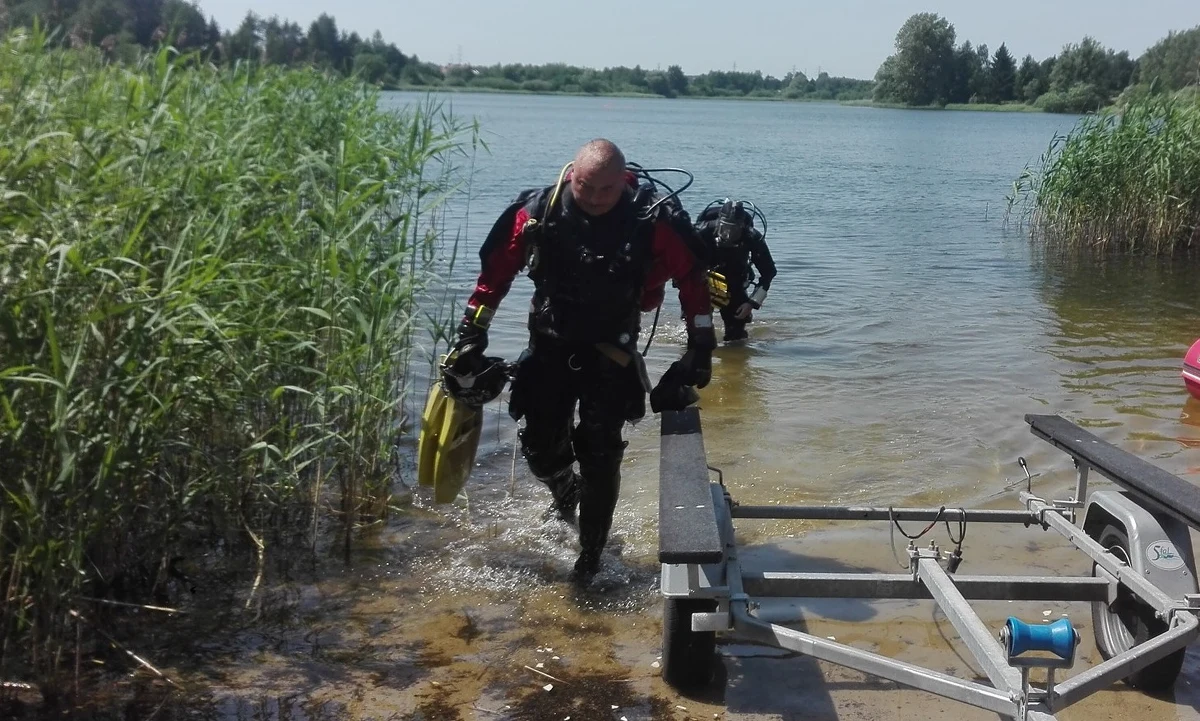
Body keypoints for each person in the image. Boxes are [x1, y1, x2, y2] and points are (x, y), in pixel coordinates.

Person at [445, 139, 716, 584]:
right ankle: (563, 488)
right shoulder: (538, 212)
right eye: (586, 187)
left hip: (611, 355)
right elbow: (493, 276)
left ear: (622, 184)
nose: (593, 199)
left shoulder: (652, 219)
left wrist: (699, 346)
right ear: (573, 175)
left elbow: (692, 278)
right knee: (539, 449)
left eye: (605, 191)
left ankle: (589, 557)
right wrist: (470, 335)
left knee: (600, 455)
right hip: (549, 345)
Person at [695, 198, 776, 343]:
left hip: (735, 282)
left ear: (743, 227)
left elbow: (769, 272)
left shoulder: (752, 237)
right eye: (725, 228)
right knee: (697, 333)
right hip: (701, 282)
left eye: (734, 230)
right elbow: (679, 261)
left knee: (736, 338)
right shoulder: (702, 230)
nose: (728, 234)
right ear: (719, 223)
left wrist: (752, 303)